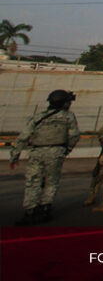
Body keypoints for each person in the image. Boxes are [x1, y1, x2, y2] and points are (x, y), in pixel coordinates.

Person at [10, 90, 80, 225]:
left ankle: (29, 212)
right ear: (65, 104)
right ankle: (45, 209)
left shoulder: (38, 117)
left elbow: (23, 137)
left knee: (32, 182)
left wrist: (15, 156)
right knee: (51, 182)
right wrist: (66, 149)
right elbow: (74, 135)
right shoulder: (68, 117)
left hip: (36, 152)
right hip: (56, 152)